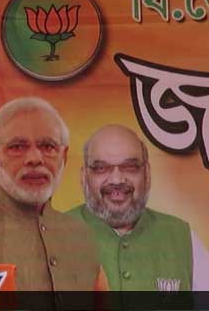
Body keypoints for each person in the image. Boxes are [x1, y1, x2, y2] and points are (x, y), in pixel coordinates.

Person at [0, 97, 107, 291]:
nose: (34, 159)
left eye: (48, 147)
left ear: (64, 156)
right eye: (17, 147)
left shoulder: (80, 234)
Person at [68, 124, 209, 291]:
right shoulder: (53, 237)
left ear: (147, 174)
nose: (116, 180)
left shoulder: (183, 238)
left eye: (130, 167)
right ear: (84, 177)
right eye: (101, 168)